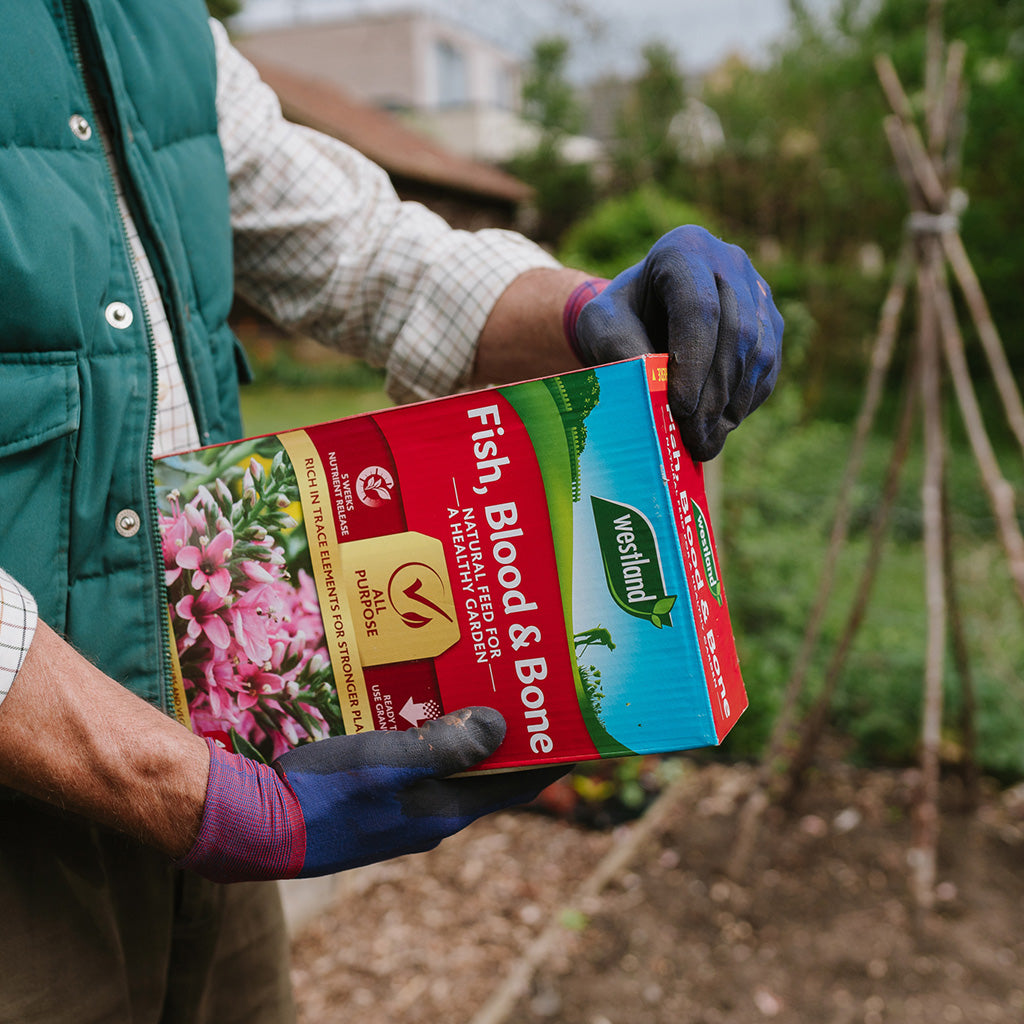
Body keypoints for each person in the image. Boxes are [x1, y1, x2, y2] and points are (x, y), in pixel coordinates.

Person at [0, 2, 783, 1022]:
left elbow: (358, 251)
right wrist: (190, 793)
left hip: (207, 771)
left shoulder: (153, 25)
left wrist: (580, 309)